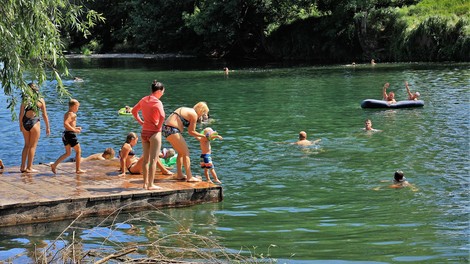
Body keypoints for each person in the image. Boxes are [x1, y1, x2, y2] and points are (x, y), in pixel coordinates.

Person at [131, 80, 166, 190]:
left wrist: (141, 121)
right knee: (153, 160)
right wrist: (159, 126)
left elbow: (133, 111)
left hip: (144, 131)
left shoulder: (144, 99)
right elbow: (163, 116)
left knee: (146, 159)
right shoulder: (157, 102)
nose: (163, 94)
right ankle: (151, 184)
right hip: (154, 133)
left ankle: (145, 184)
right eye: (163, 92)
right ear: (159, 91)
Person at [162, 101, 209, 182]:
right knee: (186, 152)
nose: (202, 116)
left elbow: (191, 131)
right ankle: (189, 177)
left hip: (166, 129)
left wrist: (200, 138)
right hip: (172, 130)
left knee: (181, 152)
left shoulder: (187, 110)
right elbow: (191, 131)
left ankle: (179, 174)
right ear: (201, 111)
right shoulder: (194, 114)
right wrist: (204, 136)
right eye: (204, 113)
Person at [19, 83, 50, 173]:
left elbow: (21, 114)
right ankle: (29, 167)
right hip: (34, 122)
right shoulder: (40, 100)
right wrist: (48, 127)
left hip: (25, 122)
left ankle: (22, 167)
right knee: (32, 146)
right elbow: (44, 115)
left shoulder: (25, 100)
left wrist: (20, 125)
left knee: (26, 145)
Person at [51, 99, 86, 174]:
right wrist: (75, 130)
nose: (78, 109)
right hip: (70, 135)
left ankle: (54, 165)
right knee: (78, 151)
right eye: (77, 107)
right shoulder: (72, 114)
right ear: (73, 106)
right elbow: (66, 124)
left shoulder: (67, 113)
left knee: (68, 153)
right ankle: (78, 169)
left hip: (65, 134)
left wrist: (76, 128)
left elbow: (68, 126)